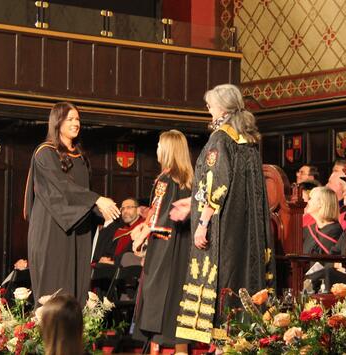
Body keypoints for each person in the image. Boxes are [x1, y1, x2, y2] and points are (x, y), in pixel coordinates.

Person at [172, 84, 275, 344]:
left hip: (224, 229)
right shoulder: (248, 140)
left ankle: (221, 345)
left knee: (223, 285)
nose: (207, 109)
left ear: (221, 107)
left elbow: (216, 186)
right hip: (247, 230)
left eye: (210, 105)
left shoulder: (220, 139)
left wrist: (202, 224)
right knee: (245, 280)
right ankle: (241, 342)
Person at [24, 102, 120, 306]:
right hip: (52, 230)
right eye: (70, 119)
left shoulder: (80, 156)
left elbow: (81, 192)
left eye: (78, 119)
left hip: (79, 229)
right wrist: (96, 199)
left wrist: (101, 212)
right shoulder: (45, 153)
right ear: (57, 122)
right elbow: (62, 187)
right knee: (54, 295)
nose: (76, 123)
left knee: (75, 293)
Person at [130, 130, 193, 354]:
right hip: (182, 248)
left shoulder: (165, 179)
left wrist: (143, 232)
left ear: (167, 149)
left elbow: (162, 217)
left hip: (165, 249)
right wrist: (145, 224)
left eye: (158, 145)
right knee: (179, 307)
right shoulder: (187, 179)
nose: (156, 149)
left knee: (160, 303)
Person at [92, 198, 144, 265]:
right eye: (122, 209)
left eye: (129, 207)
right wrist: (104, 258)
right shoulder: (122, 230)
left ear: (138, 210)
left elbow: (133, 252)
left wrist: (114, 262)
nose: (125, 211)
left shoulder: (143, 226)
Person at [303, 187, 343, 254]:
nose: (308, 202)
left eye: (311, 199)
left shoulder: (336, 232)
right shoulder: (307, 230)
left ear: (321, 203)